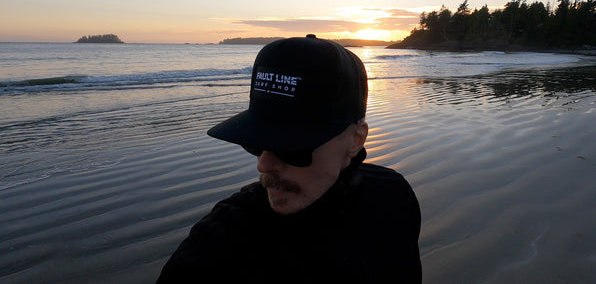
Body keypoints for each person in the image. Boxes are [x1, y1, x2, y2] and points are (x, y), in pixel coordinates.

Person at [157, 35, 421, 283]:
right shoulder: (223, 240)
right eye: (257, 143)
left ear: (355, 140)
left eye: (292, 146)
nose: (263, 165)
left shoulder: (392, 198)